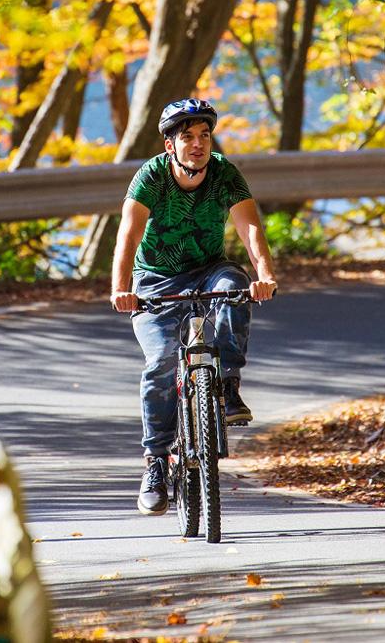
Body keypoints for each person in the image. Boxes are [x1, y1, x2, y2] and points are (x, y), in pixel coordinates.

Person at [110, 98, 278, 516]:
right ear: (171, 145)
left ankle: (228, 387)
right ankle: (155, 463)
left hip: (207, 270)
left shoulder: (223, 173)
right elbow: (127, 237)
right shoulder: (150, 176)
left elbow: (250, 227)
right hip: (154, 281)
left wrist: (265, 274)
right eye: (188, 138)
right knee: (162, 360)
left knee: (234, 284)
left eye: (205, 136)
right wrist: (121, 288)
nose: (198, 145)